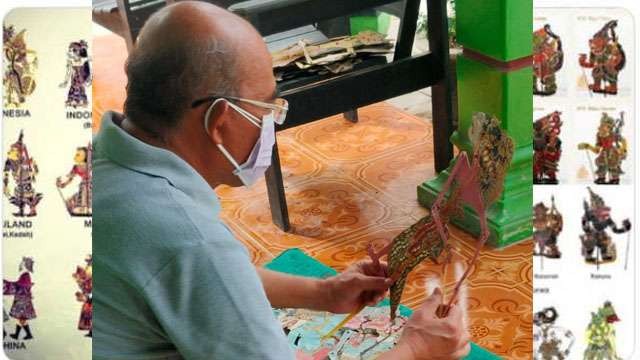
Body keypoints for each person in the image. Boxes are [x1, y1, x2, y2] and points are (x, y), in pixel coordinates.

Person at [93, 2, 470, 359]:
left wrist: (325, 293)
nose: (272, 124)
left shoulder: (99, 162)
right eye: (268, 108)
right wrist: (417, 349)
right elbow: (202, 267)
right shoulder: (190, 241)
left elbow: (209, 284)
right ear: (219, 123)